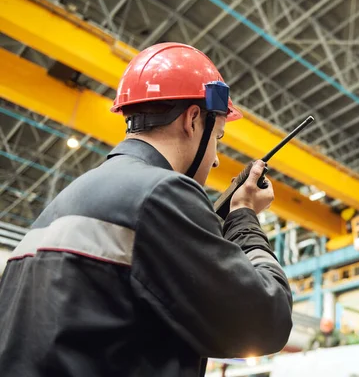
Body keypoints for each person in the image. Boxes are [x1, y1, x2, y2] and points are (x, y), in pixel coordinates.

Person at [0, 43, 293, 376]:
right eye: (219, 137)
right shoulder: (162, 195)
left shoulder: (57, 209)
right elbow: (267, 320)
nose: (214, 159)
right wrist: (243, 217)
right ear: (193, 120)